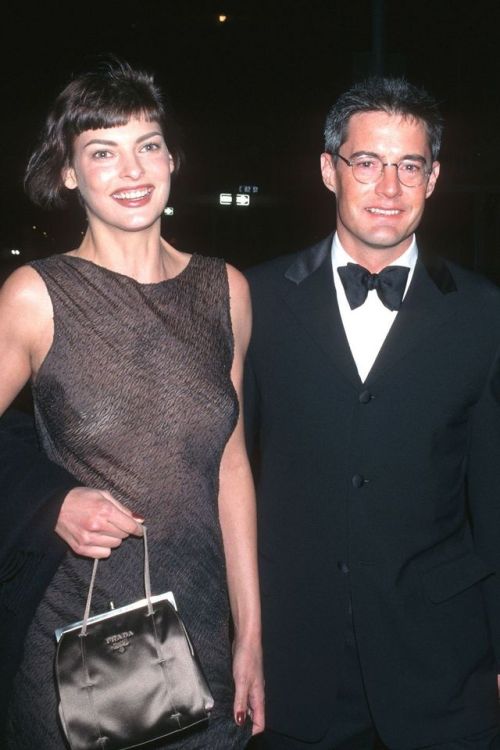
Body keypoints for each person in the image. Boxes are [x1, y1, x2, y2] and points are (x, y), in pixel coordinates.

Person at [0, 58, 264, 748]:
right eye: (102, 152)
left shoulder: (225, 290)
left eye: (147, 145)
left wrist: (251, 634)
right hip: (85, 636)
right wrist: (46, 502)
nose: (133, 170)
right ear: (68, 174)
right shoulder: (36, 295)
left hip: (204, 627)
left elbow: (231, 465)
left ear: (172, 158)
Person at [244, 77, 500, 748]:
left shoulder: (483, 314)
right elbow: (226, 471)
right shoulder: (257, 301)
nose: (389, 186)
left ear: (434, 178)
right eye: (368, 162)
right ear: (329, 169)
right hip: (294, 662)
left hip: (444, 666)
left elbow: (496, 499)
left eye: (409, 165)